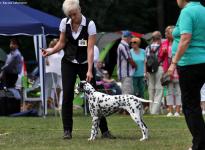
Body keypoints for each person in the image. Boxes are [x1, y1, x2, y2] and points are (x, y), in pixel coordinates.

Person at [42, 0, 115, 140]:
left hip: (84, 63)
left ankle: (105, 131)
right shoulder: (64, 23)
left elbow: (90, 49)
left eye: (74, 14)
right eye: (70, 15)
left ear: (79, 9)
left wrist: (89, 70)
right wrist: (50, 51)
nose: (72, 18)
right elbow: (62, 43)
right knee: (67, 95)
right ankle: (67, 130)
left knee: (94, 98)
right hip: (68, 62)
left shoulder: (90, 24)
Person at [167, 0, 205, 149]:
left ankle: (200, 145)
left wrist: (174, 62)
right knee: (194, 105)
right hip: (202, 62)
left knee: (190, 106)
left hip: (190, 63)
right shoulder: (203, 9)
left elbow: (185, 38)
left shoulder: (187, 12)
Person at [158, 26, 181, 117]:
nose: (167, 35)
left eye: (169, 33)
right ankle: (170, 111)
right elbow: (160, 57)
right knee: (169, 91)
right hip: (168, 70)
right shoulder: (164, 43)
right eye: (167, 33)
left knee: (178, 91)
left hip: (177, 69)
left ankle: (177, 111)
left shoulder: (179, 42)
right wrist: (163, 52)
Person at [145, 31, 163, 114]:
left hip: (149, 69)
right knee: (159, 89)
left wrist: (145, 72)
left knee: (151, 89)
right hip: (159, 68)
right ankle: (155, 111)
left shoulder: (148, 47)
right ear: (160, 38)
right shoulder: (162, 46)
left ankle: (151, 108)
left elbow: (145, 61)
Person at [45, 39, 64, 108]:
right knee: (50, 89)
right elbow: (44, 58)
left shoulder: (62, 51)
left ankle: (61, 105)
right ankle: (49, 104)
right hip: (50, 73)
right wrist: (46, 60)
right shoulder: (49, 50)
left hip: (61, 73)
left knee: (63, 89)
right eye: (57, 42)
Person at [117, 31, 136, 95]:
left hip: (125, 73)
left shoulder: (124, 45)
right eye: (131, 38)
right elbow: (128, 58)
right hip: (126, 73)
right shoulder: (123, 46)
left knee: (128, 91)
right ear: (127, 38)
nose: (131, 40)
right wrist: (135, 65)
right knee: (127, 93)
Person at [130, 37, 147, 111]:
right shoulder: (130, 52)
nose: (132, 44)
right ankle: (135, 107)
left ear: (138, 43)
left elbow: (145, 63)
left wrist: (145, 72)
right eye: (131, 42)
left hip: (142, 74)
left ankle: (142, 107)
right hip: (133, 75)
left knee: (142, 91)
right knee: (135, 92)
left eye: (134, 42)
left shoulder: (143, 51)